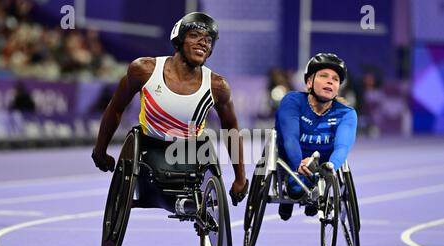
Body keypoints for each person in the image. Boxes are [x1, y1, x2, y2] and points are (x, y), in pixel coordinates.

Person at [91, 12, 248, 205]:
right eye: (194, 36)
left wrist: (240, 178)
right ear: (179, 39)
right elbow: (115, 109)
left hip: (190, 154)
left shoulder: (217, 86)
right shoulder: (144, 70)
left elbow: (231, 129)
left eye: (208, 40)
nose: (203, 43)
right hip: (149, 150)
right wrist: (100, 151)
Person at [275, 53, 358, 220]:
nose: (330, 81)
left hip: (322, 167)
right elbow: (290, 137)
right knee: (296, 190)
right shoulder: (292, 101)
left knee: (314, 185)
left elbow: (343, 146)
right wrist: (299, 164)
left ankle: (314, 191)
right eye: (323, 76)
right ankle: (291, 197)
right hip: (293, 163)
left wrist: (331, 166)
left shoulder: (346, 113)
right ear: (309, 82)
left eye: (335, 79)